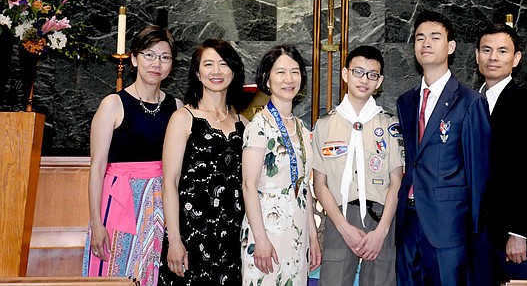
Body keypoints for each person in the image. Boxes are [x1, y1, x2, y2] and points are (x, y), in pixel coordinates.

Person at [395, 10, 492, 285]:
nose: (425, 43)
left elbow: (479, 173)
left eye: (434, 37)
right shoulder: (406, 101)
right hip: (409, 221)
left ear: (450, 47)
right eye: (420, 38)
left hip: (448, 226)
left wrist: (473, 232)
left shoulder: (469, 102)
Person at [83, 25, 182, 286]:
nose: (156, 63)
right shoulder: (113, 104)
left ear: (171, 64)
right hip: (120, 201)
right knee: (116, 270)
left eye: (164, 57)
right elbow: (97, 167)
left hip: (162, 202)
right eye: (149, 55)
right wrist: (96, 223)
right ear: (135, 59)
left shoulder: (177, 108)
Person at [312, 45, 404, 286]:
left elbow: (397, 181)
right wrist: (343, 227)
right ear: (345, 74)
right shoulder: (325, 125)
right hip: (340, 217)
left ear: (380, 81)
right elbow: (319, 185)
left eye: (372, 74)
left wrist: (382, 231)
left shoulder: (389, 125)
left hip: (381, 218)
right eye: (358, 72)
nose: (364, 80)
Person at [159, 39, 248, 285]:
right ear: (198, 73)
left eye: (223, 64)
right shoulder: (183, 118)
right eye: (208, 64)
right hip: (191, 233)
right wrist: (175, 240)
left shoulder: (246, 125)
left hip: (232, 235)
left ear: (233, 70)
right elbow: (170, 183)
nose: (216, 71)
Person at [475, 23, 527, 282]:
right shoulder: (470, 104)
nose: (493, 57)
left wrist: (520, 232)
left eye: (502, 51)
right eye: (486, 50)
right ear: (477, 56)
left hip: (515, 237)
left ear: (516, 58)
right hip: (477, 234)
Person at [240, 45, 321, 286]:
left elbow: (303, 186)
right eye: (281, 72)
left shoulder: (303, 128)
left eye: (295, 72)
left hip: (297, 231)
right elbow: (248, 186)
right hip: (266, 228)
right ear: (267, 78)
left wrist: (313, 237)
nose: (289, 79)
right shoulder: (259, 126)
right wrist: (260, 239)